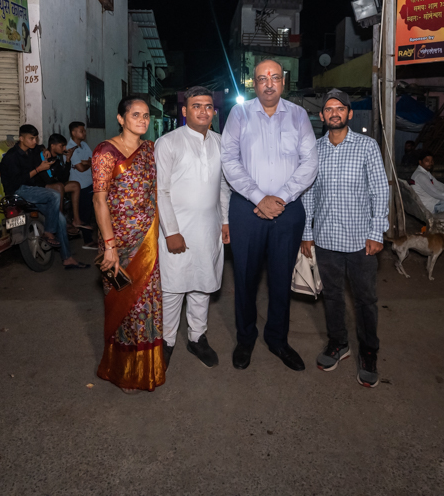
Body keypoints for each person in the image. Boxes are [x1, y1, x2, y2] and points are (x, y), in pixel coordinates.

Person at [221, 58, 318, 371]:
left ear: (283, 81)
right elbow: (229, 160)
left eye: (274, 77)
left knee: (280, 279)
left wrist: (282, 198)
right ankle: (245, 338)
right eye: (262, 78)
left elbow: (309, 163)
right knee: (245, 278)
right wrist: (259, 198)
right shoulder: (239, 113)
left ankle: (277, 339)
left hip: (287, 211)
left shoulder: (299, 115)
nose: (268, 83)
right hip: (246, 209)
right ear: (253, 82)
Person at [300, 89, 389, 387]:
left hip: (361, 241)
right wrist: (307, 233)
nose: (334, 112)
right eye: (328, 109)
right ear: (322, 116)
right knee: (333, 296)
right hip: (326, 240)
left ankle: (369, 351)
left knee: (365, 300)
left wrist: (377, 232)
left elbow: (380, 190)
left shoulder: (367, 146)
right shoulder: (315, 149)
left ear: (349, 114)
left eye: (340, 108)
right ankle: (339, 343)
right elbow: (309, 194)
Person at [154, 86, 232, 368]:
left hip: (209, 229)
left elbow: (224, 186)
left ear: (214, 111)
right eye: (196, 106)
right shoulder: (168, 142)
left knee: (202, 285)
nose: (203, 110)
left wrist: (225, 221)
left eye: (208, 106)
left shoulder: (221, 143)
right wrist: (171, 231)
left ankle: (197, 338)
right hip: (176, 230)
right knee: (173, 288)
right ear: (185, 111)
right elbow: (160, 191)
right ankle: (167, 341)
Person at [92, 96, 166, 392]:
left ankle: (145, 368)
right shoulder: (105, 152)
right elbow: (99, 199)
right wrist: (109, 246)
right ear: (121, 118)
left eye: (146, 115)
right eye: (136, 114)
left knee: (145, 306)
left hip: (146, 240)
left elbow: (156, 192)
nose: (143, 120)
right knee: (121, 306)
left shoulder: (149, 149)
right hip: (116, 246)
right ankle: (122, 370)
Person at [0, 124, 88, 269]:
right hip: (19, 190)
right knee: (54, 195)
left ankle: (67, 258)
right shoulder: (12, 157)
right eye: (31, 138)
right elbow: (16, 182)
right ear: (21, 138)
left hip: (32, 189)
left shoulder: (31, 151)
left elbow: (40, 146)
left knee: (60, 218)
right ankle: (48, 232)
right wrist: (39, 169)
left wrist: (43, 149)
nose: (34, 141)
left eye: (35, 138)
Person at [41, 133, 88, 232]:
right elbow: (48, 178)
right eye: (61, 145)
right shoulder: (44, 155)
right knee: (59, 186)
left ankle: (76, 220)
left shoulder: (58, 159)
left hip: (56, 184)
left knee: (75, 185)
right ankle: (61, 221)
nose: (64, 148)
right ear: (53, 146)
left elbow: (64, 178)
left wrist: (67, 160)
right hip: (43, 185)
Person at [68, 121, 97, 247]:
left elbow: (93, 160)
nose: (84, 133)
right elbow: (80, 168)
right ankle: (88, 241)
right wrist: (87, 163)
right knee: (83, 212)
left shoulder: (84, 145)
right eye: (81, 131)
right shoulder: (70, 147)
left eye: (84, 130)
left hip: (89, 183)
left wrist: (86, 162)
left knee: (89, 211)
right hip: (80, 185)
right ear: (74, 133)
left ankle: (84, 235)